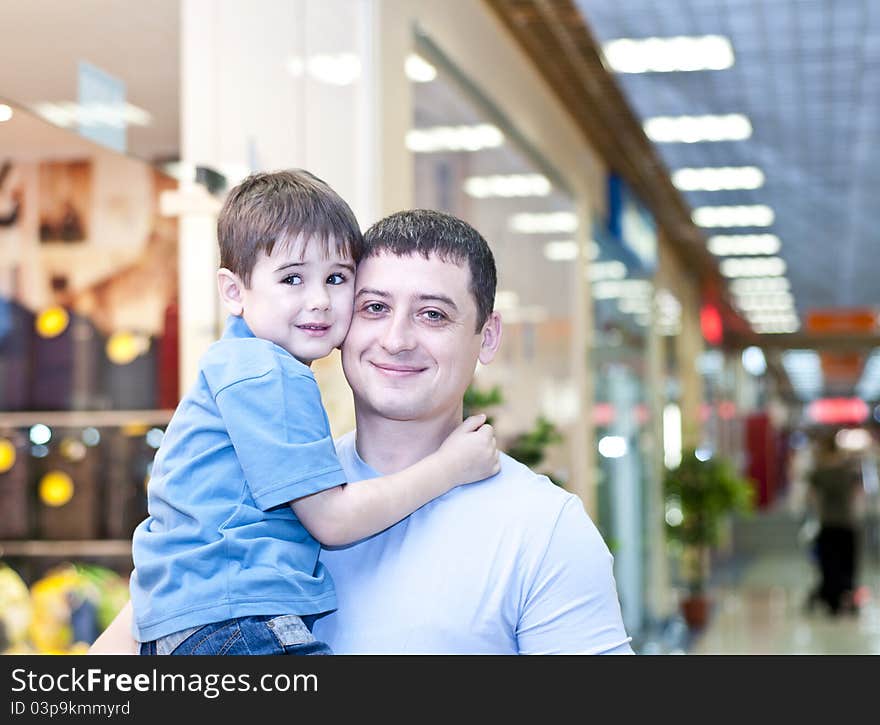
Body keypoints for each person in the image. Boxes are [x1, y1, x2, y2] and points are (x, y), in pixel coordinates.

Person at [91, 208, 631, 655]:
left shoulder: (544, 528)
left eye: (434, 315)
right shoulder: (254, 485)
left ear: (486, 337)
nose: (396, 339)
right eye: (374, 307)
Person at [127, 172, 499, 656]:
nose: (319, 300)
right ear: (234, 290)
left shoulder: (237, 365)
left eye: (337, 278)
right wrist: (451, 467)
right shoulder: (268, 374)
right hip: (237, 623)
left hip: (199, 623)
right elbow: (334, 521)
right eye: (292, 278)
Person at [806, 434, 864, 616]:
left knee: (829, 563)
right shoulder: (850, 469)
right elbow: (858, 493)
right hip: (847, 521)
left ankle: (831, 600)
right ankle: (847, 597)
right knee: (847, 564)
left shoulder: (819, 471)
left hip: (828, 522)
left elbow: (811, 496)